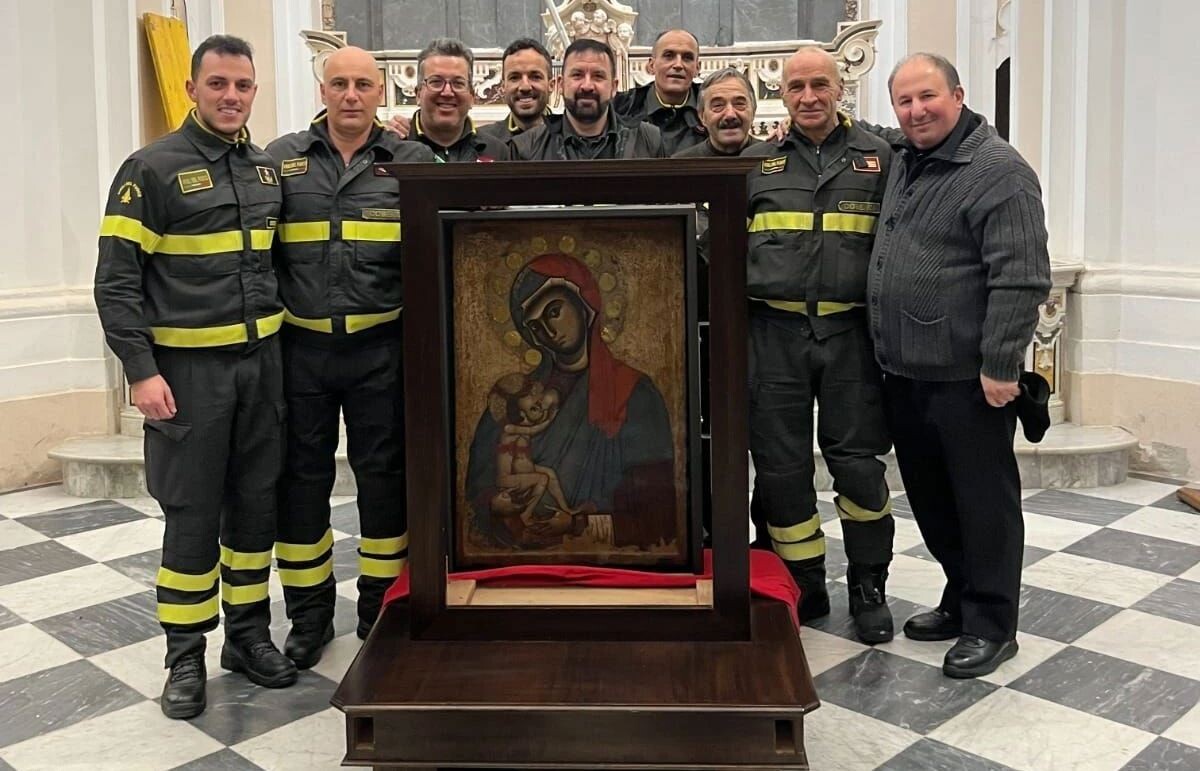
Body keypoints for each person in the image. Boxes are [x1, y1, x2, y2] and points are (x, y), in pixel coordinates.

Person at [95, 35, 297, 720]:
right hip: (188, 377)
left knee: (255, 507)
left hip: (260, 370)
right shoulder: (149, 169)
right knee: (191, 515)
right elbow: (116, 283)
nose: (231, 96)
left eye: (242, 85)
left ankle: (246, 637)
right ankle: (184, 656)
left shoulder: (266, 171)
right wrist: (141, 372)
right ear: (191, 88)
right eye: (218, 84)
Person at [871, 53, 1050, 677]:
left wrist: (1002, 364)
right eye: (904, 102)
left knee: (983, 505)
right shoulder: (905, 158)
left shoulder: (999, 170)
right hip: (905, 373)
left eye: (928, 97)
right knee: (933, 501)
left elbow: (1022, 277)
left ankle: (993, 623)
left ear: (958, 94)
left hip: (968, 379)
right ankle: (959, 595)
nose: (917, 111)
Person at [264, 47, 434, 668]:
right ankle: (308, 616)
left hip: (381, 351)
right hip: (301, 351)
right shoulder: (280, 163)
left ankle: (377, 608)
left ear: (383, 87)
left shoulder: (410, 163)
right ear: (323, 87)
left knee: (384, 483)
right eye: (340, 84)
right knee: (301, 483)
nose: (351, 95)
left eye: (363, 84)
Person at [740, 47, 896, 643]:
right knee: (781, 471)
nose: (808, 96)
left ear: (840, 89)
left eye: (819, 85)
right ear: (783, 94)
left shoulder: (880, 159)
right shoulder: (758, 163)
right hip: (773, 336)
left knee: (858, 468)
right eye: (797, 86)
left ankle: (868, 586)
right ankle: (804, 581)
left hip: (850, 337)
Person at [465, 254, 676, 551]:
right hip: (520, 561)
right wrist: (495, 506)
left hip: (611, 566)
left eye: (553, 311)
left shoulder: (635, 393)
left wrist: (579, 524)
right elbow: (475, 495)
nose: (549, 332)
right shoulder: (515, 396)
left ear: (583, 302)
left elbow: (659, 514)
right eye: (536, 327)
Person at [510, 38, 665, 160]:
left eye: (598, 76)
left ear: (613, 87)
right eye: (577, 75)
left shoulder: (647, 140)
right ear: (561, 84)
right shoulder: (527, 148)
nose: (587, 86)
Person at [404, 38, 510, 162]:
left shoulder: (497, 152)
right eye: (436, 82)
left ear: (472, 96)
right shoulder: (392, 150)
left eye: (458, 83)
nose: (447, 92)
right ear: (418, 94)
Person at [612, 29, 706, 155]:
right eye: (669, 56)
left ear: (697, 68)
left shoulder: (713, 106)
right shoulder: (621, 108)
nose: (678, 65)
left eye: (687, 58)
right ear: (651, 65)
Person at [476, 38, 557, 142]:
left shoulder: (573, 143)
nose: (525, 87)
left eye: (535, 77)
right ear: (503, 87)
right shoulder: (481, 143)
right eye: (514, 78)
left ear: (551, 85)